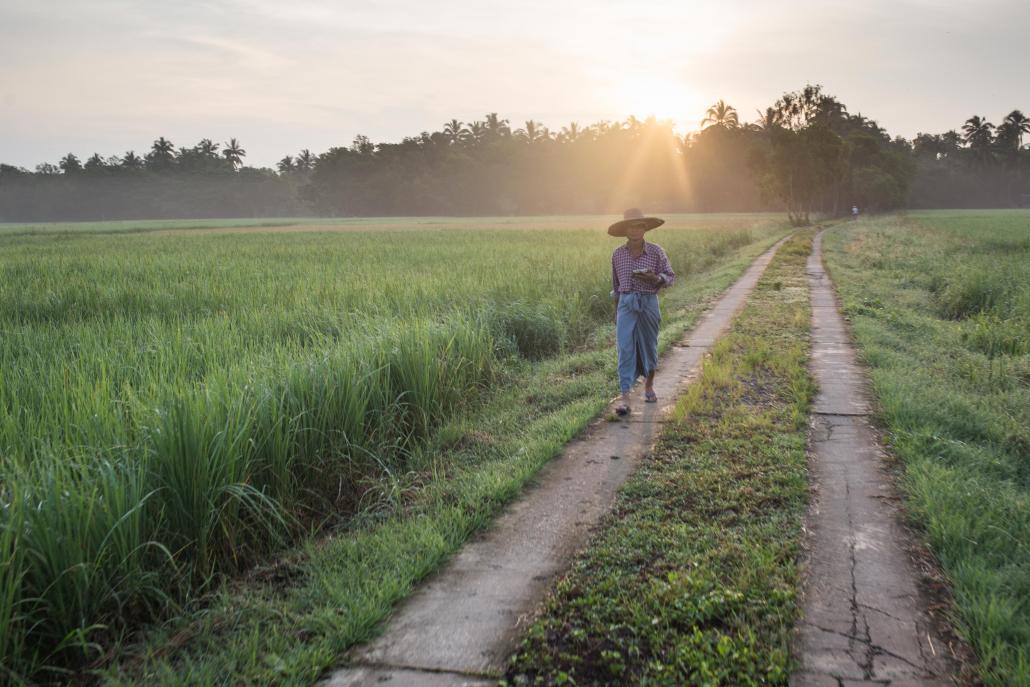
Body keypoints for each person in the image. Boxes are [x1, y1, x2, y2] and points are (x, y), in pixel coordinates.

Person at [608, 208, 675, 416]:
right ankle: (625, 396)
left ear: (644, 228)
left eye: (638, 226)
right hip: (626, 304)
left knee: (649, 346)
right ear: (625, 229)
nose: (634, 229)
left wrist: (656, 279)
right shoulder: (618, 254)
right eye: (630, 226)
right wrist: (616, 312)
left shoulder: (656, 251)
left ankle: (649, 386)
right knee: (624, 347)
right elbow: (616, 285)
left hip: (648, 302)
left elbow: (670, 276)